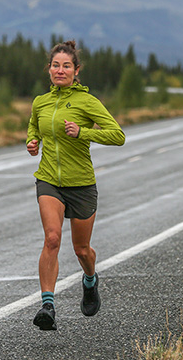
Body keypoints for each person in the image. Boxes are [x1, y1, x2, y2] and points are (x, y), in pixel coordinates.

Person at [26, 40, 126, 331]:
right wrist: (32, 142)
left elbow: (117, 135)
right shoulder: (40, 102)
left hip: (81, 184)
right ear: (49, 69)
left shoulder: (87, 102)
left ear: (76, 70)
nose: (60, 70)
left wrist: (82, 132)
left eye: (66, 65)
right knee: (52, 239)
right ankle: (48, 305)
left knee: (81, 249)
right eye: (55, 65)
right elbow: (34, 125)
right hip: (49, 181)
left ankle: (90, 280)